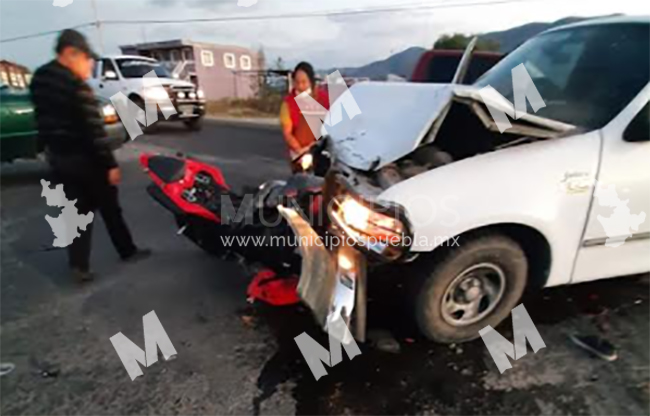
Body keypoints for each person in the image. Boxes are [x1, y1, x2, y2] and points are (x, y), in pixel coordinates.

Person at [30, 29, 150, 282]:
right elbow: (95, 132)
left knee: (76, 211)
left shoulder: (40, 79)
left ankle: (78, 266)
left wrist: (45, 150)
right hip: (87, 161)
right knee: (110, 207)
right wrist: (110, 164)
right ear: (70, 54)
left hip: (60, 158)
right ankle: (127, 251)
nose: (91, 65)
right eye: (87, 59)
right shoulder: (77, 87)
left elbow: (40, 120)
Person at [279, 62, 329, 171]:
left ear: (311, 81)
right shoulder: (288, 104)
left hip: (322, 152)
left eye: (304, 82)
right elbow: (287, 133)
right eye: (297, 82)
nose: (300, 86)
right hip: (300, 154)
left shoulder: (323, 99)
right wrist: (301, 151)